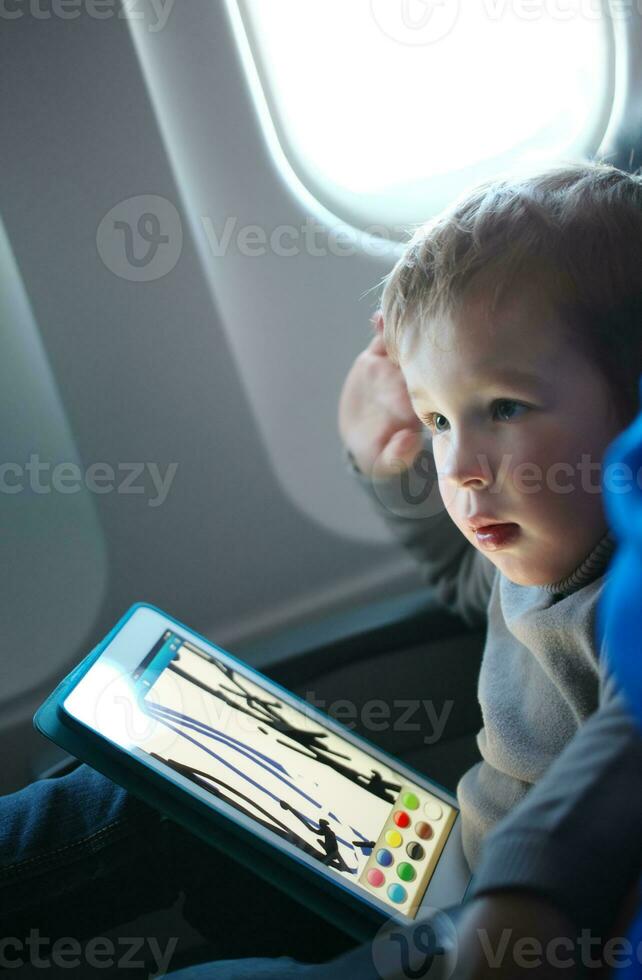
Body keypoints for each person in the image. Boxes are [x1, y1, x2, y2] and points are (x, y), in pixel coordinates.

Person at [2, 162, 642, 979]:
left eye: (505, 408)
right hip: (429, 864)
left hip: (489, 934)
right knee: (146, 787)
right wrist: (380, 460)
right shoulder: (538, 549)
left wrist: (515, 904)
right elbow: (462, 583)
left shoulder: (622, 606)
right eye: (440, 418)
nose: (464, 467)